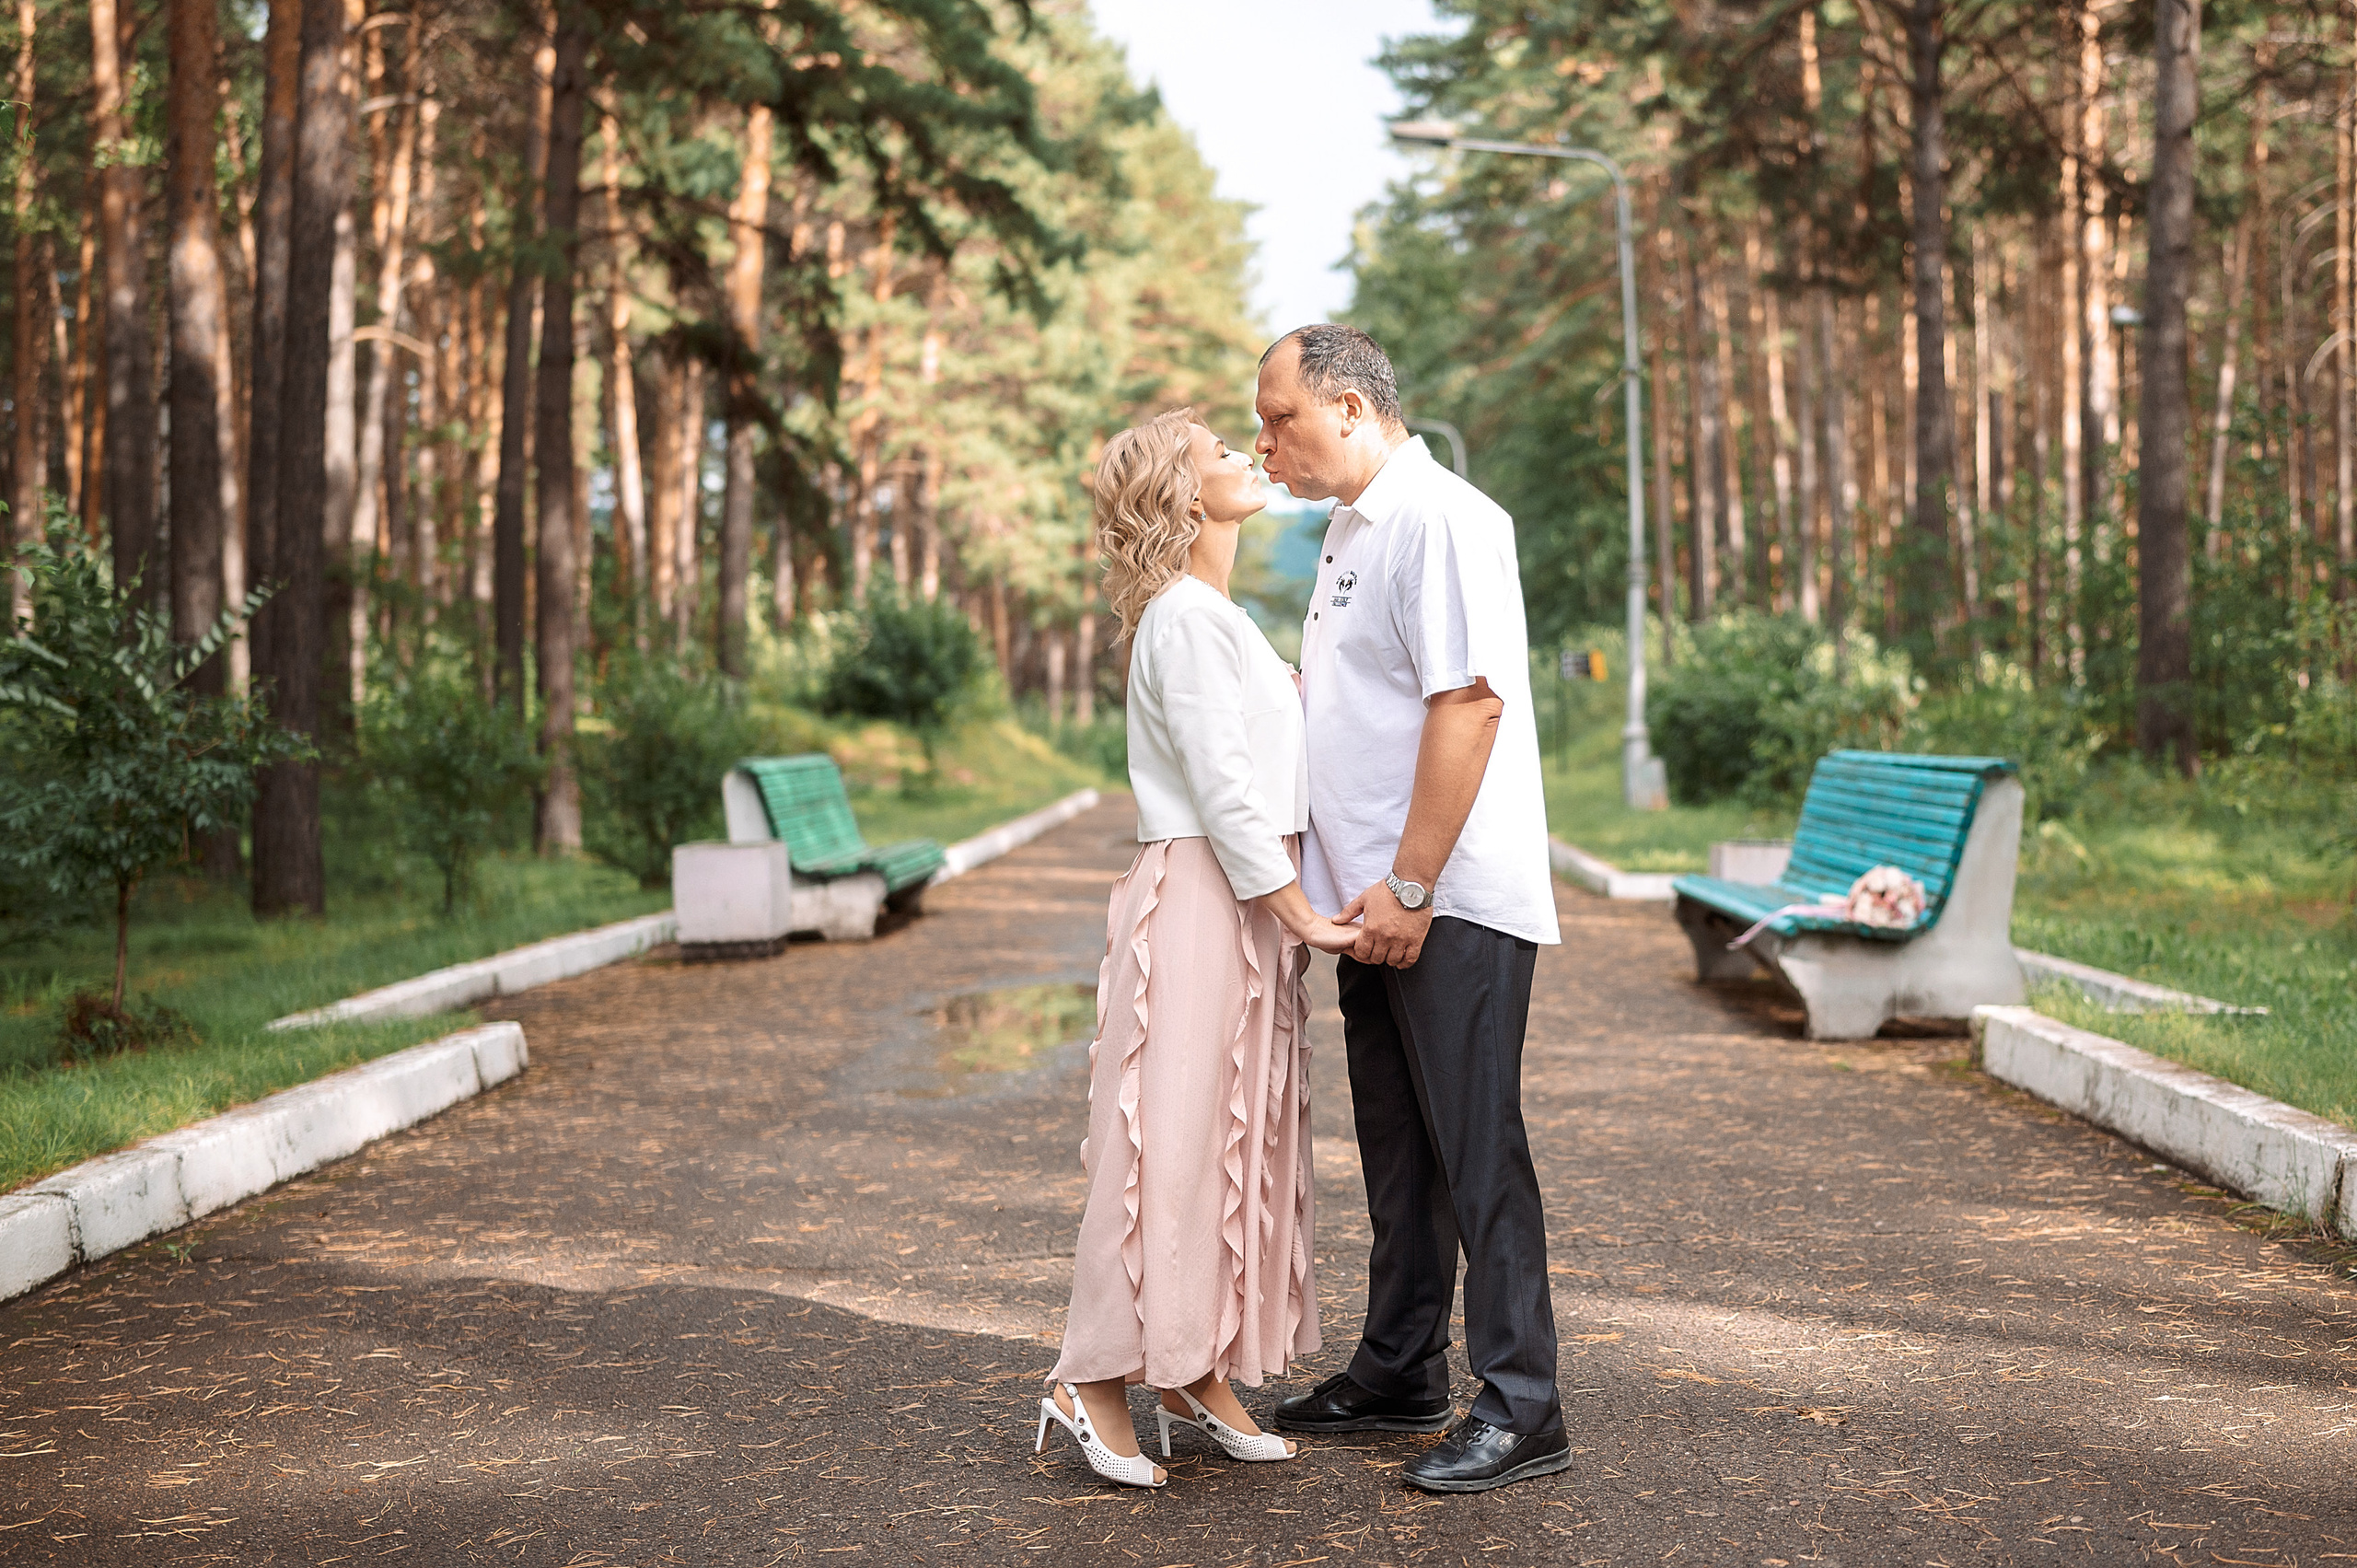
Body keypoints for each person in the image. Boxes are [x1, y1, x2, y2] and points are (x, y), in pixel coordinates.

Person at [1258, 325, 1569, 1494]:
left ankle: (1524, 1400)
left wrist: (1413, 882)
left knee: (1477, 1146)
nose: (1265, 436)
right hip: (1374, 901)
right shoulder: (1351, 531)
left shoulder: (1444, 518)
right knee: (1402, 1148)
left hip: (1444, 899)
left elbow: (1470, 703)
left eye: (1278, 413)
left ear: (1347, 405)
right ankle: (1399, 1366)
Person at [1036, 408, 1362, 1489]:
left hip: (1241, 901)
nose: (1249, 457)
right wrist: (1300, 910)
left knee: (1231, 1142)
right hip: (1205, 896)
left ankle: (1191, 1362)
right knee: (1164, 1145)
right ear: (1180, 496)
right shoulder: (1181, 614)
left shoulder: (1215, 613)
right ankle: (1090, 1376)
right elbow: (1223, 785)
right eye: (1224, 452)